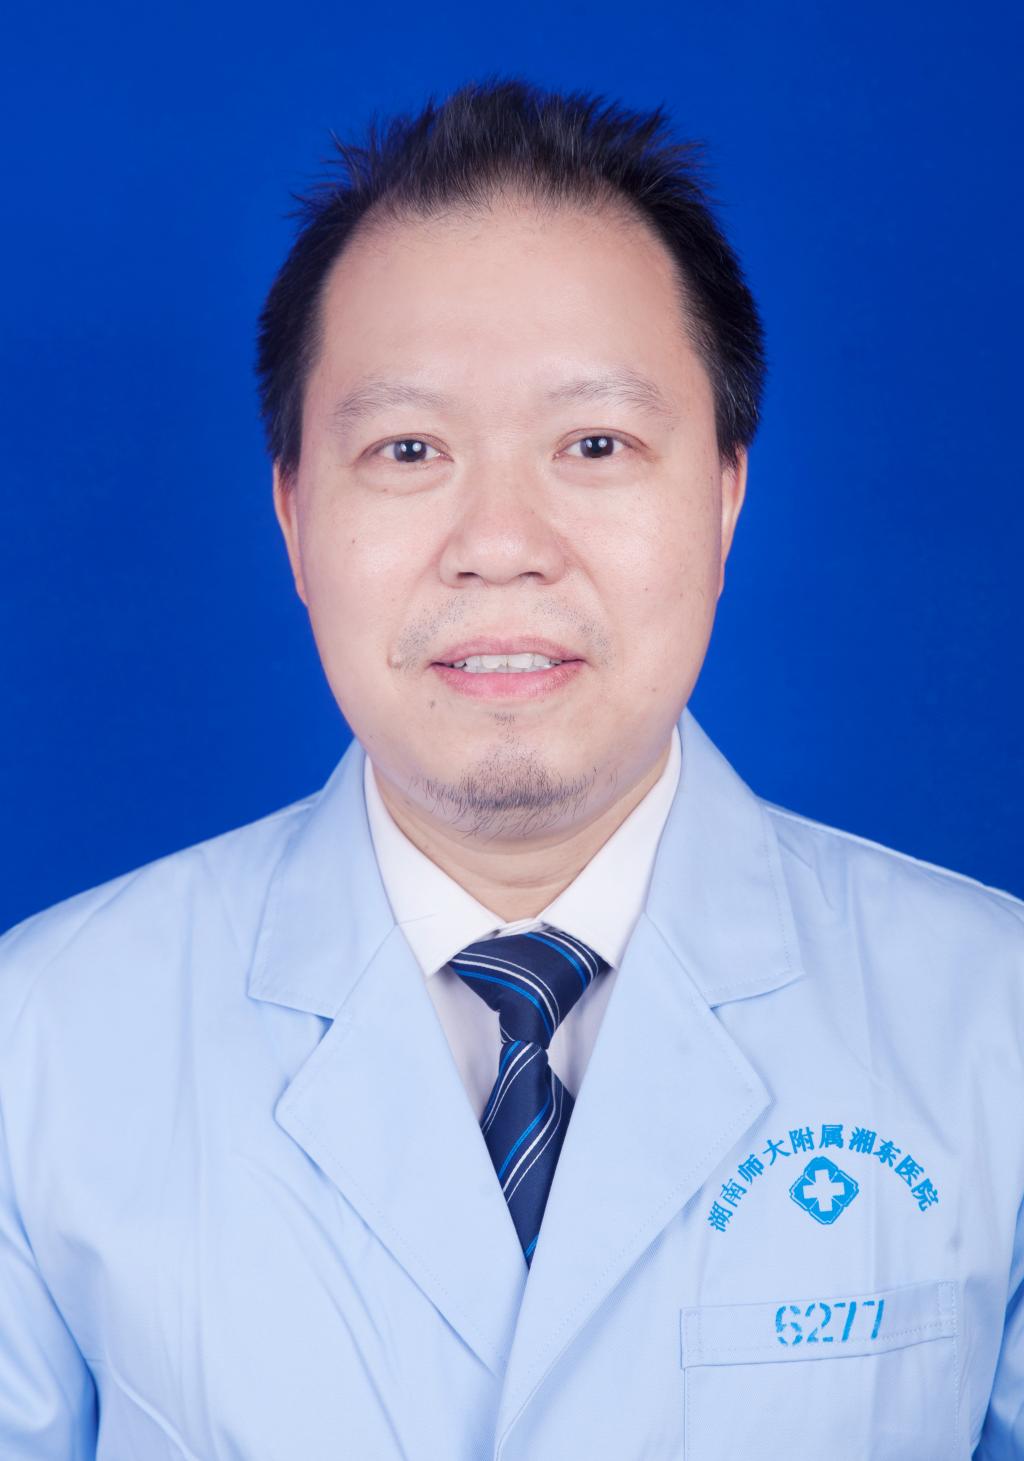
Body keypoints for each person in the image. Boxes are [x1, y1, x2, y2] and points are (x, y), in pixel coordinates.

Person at [0, 74, 1020, 1461]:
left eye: (595, 444)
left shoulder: (990, 1025)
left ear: (726, 493)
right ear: (293, 512)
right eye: (408, 448)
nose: (499, 544)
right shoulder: (43, 1049)